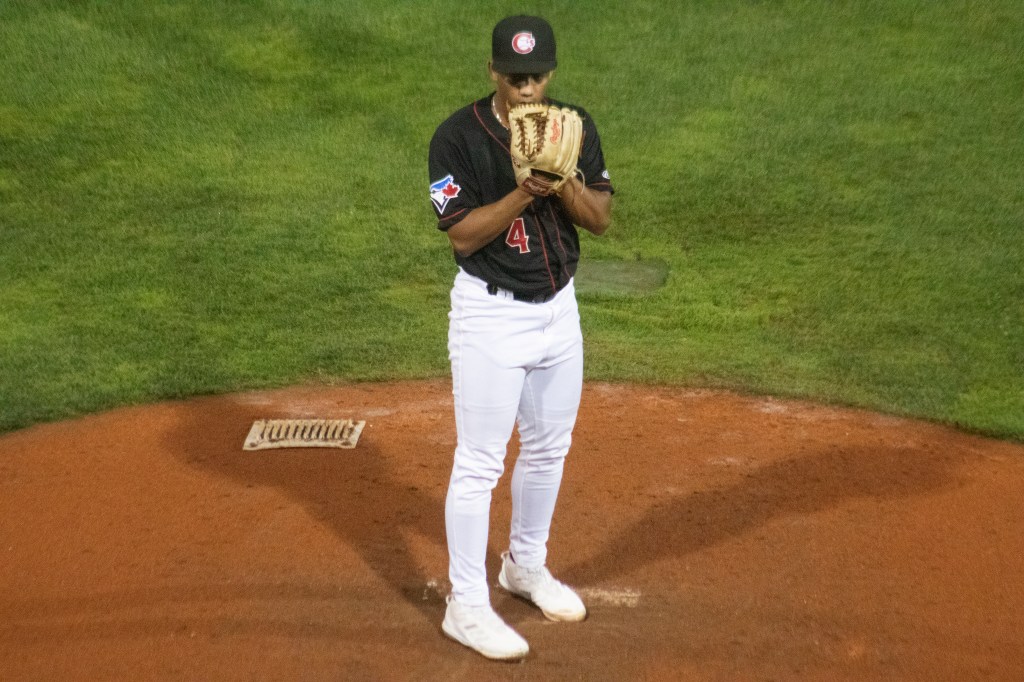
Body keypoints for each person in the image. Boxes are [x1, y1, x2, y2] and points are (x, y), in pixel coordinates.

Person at [427, 15, 614, 660]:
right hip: (491, 317)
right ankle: (467, 607)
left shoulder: (575, 128)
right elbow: (461, 234)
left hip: (560, 313)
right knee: (478, 464)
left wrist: (561, 181)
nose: (526, 88)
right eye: (514, 77)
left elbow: (602, 221)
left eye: (536, 77)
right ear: (493, 74)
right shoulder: (456, 139)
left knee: (548, 449)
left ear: (551, 74)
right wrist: (522, 189)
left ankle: (524, 567)